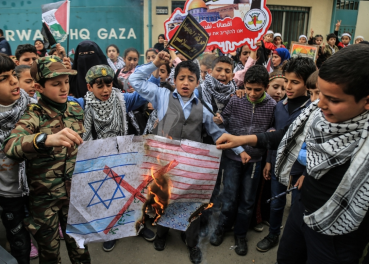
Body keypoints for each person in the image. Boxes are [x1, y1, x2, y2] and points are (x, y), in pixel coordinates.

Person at [216, 44, 369, 264]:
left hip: (337, 234)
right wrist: (241, 140)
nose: (320, 103)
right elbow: (283, 135)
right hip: (302, 210)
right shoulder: (315, 114)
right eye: (318, 94)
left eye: (333, 99)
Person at [129, 51, 248, 264]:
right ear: (174, 81)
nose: (185, 83)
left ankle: (192, 244)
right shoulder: (161, 95)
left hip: (191, 167)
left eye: (190, 79)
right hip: (163, 164)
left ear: (197, 82)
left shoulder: (202, 108)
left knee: (192, 205)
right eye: (181, 78)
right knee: (163, 200)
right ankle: (162, 234)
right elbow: (134, 80)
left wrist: (241, 150)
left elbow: (218, 134)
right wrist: (155, 63)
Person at [3, 56, 91, 263]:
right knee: (49, 254)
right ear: (39, 87)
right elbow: (11, 146)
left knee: (80, 250)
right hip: (45, 200)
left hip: (73, 196)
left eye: (66, 82)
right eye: (55, 83)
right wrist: (46, 139)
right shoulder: (34, 114)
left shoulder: (75, 109)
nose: (63, 88)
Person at [68, 64, 155, 252]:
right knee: (107, 198)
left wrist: (156, 73)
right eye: (99, 86)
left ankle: (138, 226)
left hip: (124, 157)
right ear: (89, 87)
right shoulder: (81, 104)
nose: (106, 89)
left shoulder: (122, 100)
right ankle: (111, 231)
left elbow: (142, 94)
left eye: (108, 84)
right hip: (99, 162)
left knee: (133, 195)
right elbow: (59, 101)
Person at [210, 65, 276, 256]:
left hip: (255, 161)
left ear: (266, 86)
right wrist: (219, 119)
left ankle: (240, 235)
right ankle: (221, 227)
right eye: (248, 88)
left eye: (258, 89)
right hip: (232, 158)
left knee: (247, 201)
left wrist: (269, 135)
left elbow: (274, 132)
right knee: (229, 198)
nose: (252, 93)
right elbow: (226, 120)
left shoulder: (272, 106)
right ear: (243, 86)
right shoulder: (236, 100)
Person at [254, 56, 316, 253]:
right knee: (276, 201)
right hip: (278, 164)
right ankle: (273, 234)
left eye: (295, 82)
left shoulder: (314, 108)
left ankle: (298, 242)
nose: (288, 87)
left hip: (302, 170)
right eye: (286, 81)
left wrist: (307, 173)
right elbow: (277, 137)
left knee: (299, 208)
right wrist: (270, 162)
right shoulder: (279, 107)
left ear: (308, 84)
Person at [0, 53, 37, 264]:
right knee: (18, 242)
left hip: (33, 185)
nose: (14, 81)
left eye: (12, 74)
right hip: (7, 194)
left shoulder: (32, 108)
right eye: (3, 78)